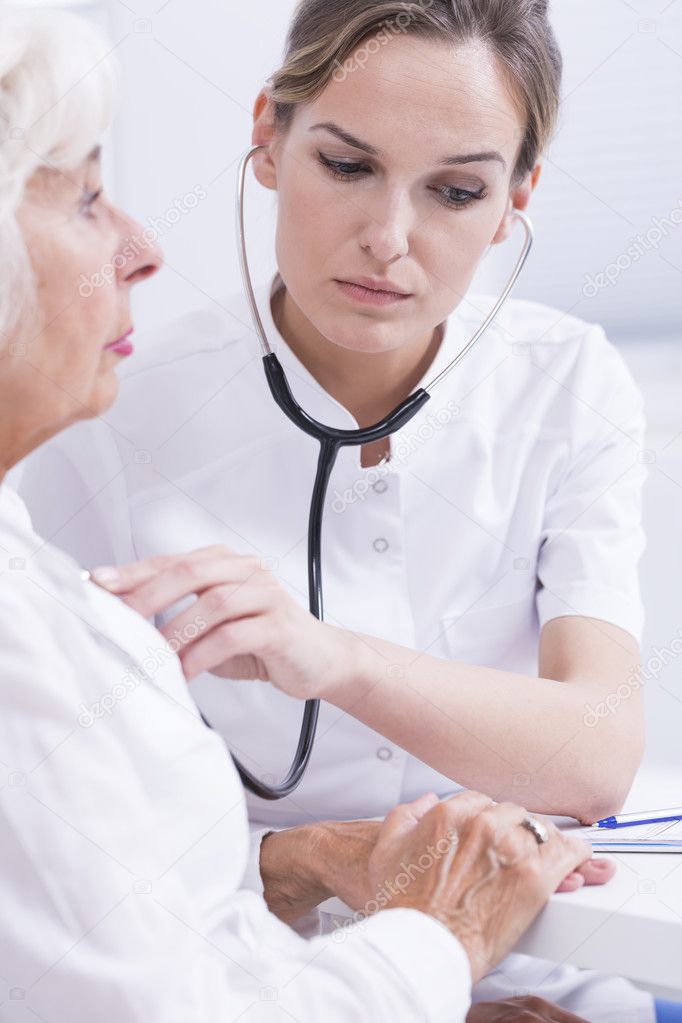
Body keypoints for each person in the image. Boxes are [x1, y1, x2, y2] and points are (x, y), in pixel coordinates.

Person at [19, 1, 663, 1020]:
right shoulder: (107, 399)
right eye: (347, 165)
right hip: (239, 955)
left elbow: (594, 753)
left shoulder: (564, 381)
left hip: (537, 952)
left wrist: (330, 656)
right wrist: (314, 876)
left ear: (515, 200)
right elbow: (60, 828)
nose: (387, 240)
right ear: (268, 138)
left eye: (455, 190)